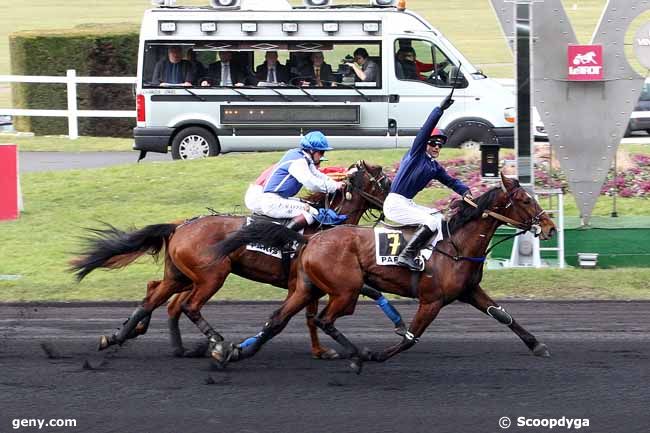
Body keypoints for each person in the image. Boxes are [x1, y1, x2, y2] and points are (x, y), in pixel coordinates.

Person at [383, 93, 472, 271]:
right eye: (433, 144)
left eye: (440, 145)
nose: (437, 147)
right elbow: (426, 128)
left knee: (438, 218)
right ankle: (406, 256)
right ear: (425, 144)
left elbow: (452, 181)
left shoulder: (434, 167)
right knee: (431, 223)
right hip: (395, 204)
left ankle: (431, 256)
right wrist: (440, 109)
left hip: (407, 203)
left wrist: (466, 192)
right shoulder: (415, 154)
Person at [259, 131, 345, 231]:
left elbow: (318, 175)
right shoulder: (298, 162)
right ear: (312, 150)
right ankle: (282, 239)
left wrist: (336, 184)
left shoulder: (303, 157)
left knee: (312, 205)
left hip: (279, 198)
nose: (322, 156)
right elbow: (311, 184)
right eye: (321, 152)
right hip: (273, 202)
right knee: (312, 213)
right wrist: (335, 187)